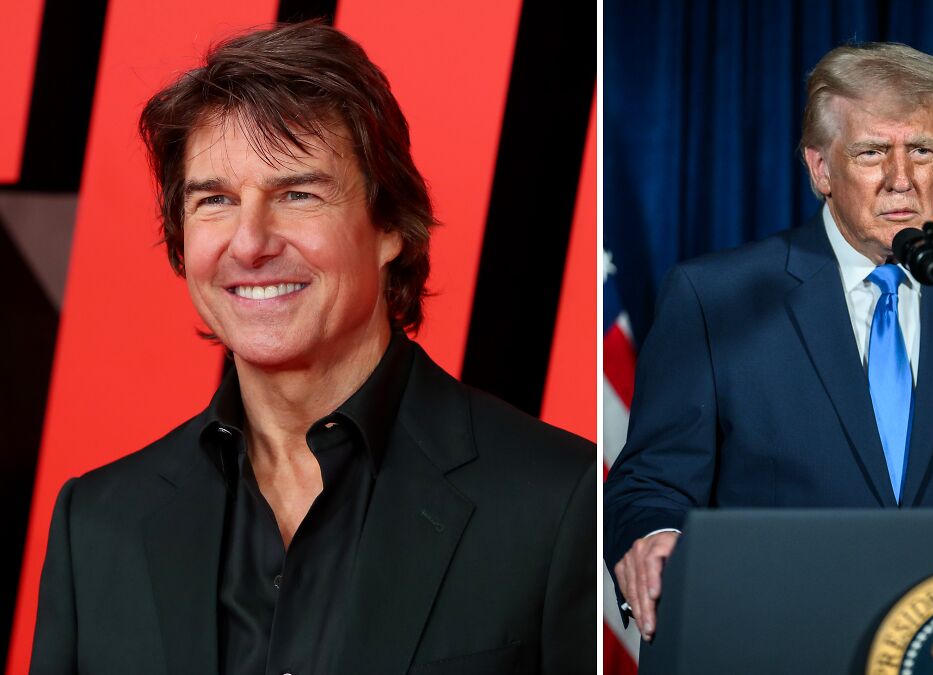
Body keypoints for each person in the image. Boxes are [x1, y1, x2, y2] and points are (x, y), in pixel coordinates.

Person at [31, 22, 595, 674]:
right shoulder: (96, 524)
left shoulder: (555, 502)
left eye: (296, 193)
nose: (250, 243)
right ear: (183, 244)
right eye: (215, 200)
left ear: (390, 228)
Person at [603, 42, 933, 641]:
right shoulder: (715, 297)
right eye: (872, 153)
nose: (901, 180)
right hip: (779, 638)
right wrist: (655, 539)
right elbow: (651, 481)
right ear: (820, 169)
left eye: (922, 150)